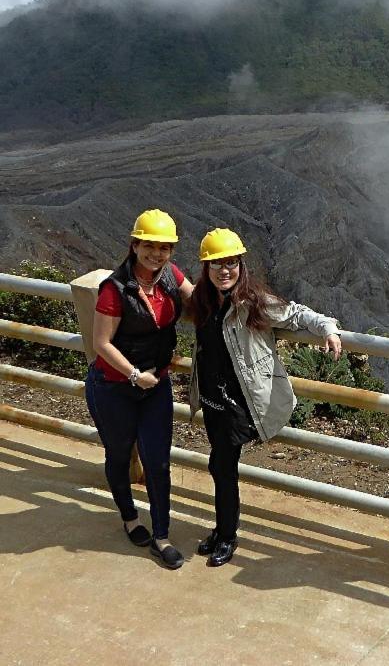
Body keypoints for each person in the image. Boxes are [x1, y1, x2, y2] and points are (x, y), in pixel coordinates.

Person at [188, 228, 341, 566]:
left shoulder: (252, 303)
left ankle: (226, 536)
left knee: (222, 465)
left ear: (241, 265)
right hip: (214, 400)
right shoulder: (202, 300)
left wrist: (328, 328)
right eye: (216, 264)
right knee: (218, 464)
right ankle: (221, 531)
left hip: (238, 404)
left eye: (231, 263)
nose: (224, 271)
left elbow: (297, 313)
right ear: (206, 268)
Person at [84, 209, 194, 570]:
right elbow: (102, 343)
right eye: (149, 246)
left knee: (158, 462)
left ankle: (161, 537)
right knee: (118, 454)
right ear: (134, 245)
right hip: (114, 387)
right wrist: (133, 374)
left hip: (156, 385)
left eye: (164, 248)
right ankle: (130, 518)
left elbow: (199, 303)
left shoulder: (170, 277)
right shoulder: (114, 289)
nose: (156, 254)